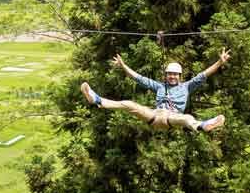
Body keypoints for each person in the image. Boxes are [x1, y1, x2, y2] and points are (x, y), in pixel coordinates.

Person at [80, 48, 231, 132]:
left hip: (171, 118)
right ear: (166, 76)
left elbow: (203, 75)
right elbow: (138, 78)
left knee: (187, 119)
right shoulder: (159, 86)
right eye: (169, 74)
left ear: (179, 76)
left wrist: (219, 62)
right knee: (129, 104)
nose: (172, 77)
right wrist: (123, 66)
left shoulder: (187, 86)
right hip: (154, 116)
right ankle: (96, 99)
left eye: (175, 75)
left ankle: (204, 126)